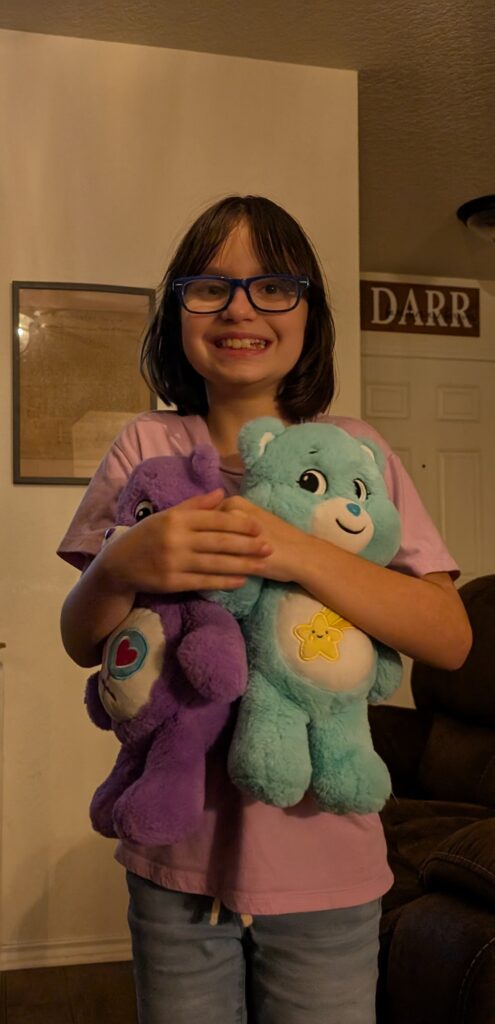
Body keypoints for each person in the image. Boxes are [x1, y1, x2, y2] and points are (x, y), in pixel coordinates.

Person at [58, 195, 472, 1024]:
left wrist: (293, 549)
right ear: (176, 311)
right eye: (210, 287)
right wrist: (119, 564)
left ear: (308, 312)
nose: (240, 308)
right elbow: (82, 639)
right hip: (174, 858)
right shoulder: (146, 447)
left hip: (328, 859)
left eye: (273, 286)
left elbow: (450, 638)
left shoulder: (355, 453)